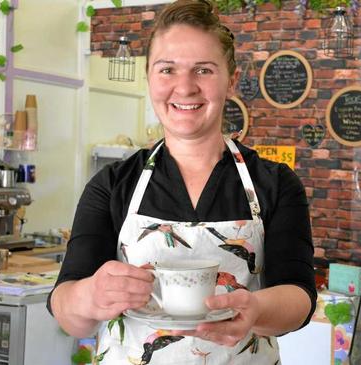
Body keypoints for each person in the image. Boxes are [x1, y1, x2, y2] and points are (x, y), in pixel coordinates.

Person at [48, 0, 316, 363]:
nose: (185, 87)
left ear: (231, 80)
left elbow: (299, 296)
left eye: (203, 70)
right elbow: (67, 309)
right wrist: (89, 295)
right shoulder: (112, 184)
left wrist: (256, 308)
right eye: (167, 70)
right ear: (149, 78)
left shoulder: (275, 183)